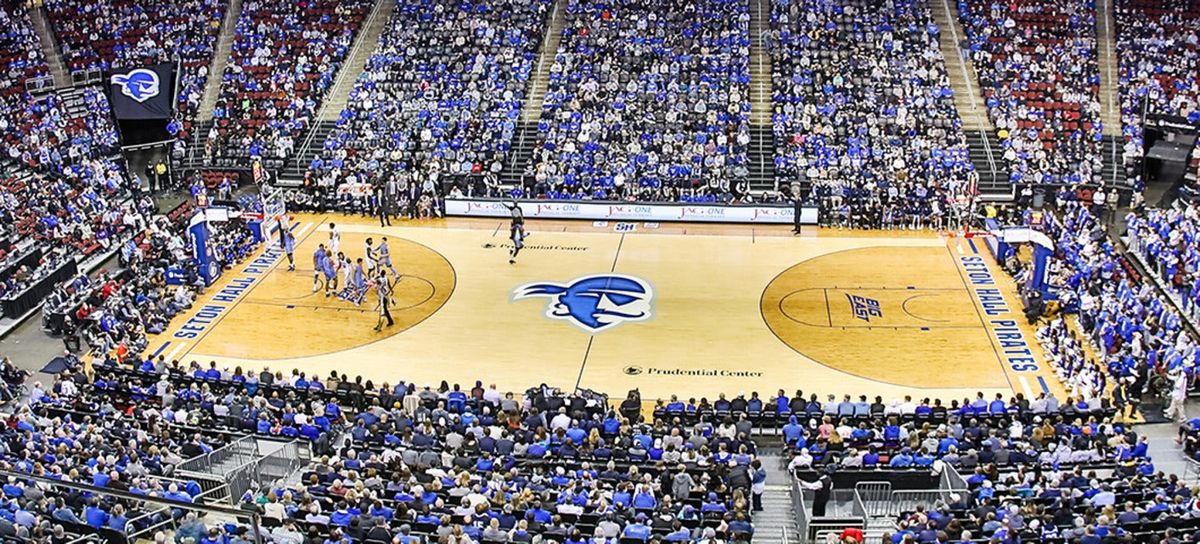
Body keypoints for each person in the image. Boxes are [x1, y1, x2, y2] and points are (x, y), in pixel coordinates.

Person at [502, 199, 527, 264]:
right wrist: (502, 203)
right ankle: (512, 258)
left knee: (519, 246)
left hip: (517, 223)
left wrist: (522, 219)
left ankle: (512, 252)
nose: (515, 204)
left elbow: (521, 214)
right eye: (514, 203)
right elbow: (507, 206)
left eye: (516, 203)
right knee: (518, 247)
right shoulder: (512, 208)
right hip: (516, 225)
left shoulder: (519, 208)